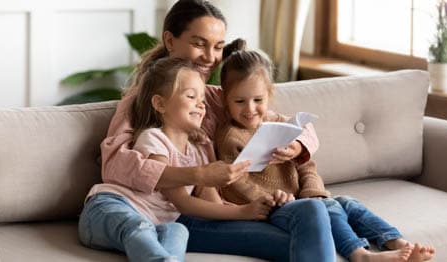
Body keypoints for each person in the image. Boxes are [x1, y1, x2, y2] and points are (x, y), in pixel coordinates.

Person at [83, 0, 336, 261]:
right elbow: (115, 164)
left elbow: (290, 121)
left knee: (315, 218)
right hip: (173, 211)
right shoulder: (144, 99)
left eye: (218, 47)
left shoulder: (217, 98)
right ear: (170, 41)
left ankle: (357, 249)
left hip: (210, 207)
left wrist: (297, 145)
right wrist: (200, 175)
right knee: (302, 232)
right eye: (198, 43)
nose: (210, 57)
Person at [214, 46, 436, 262]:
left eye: (258, 100)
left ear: (269, 94)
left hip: (304, 201)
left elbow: (306, 165)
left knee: (347, 203)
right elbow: (235, 183)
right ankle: (361, 255)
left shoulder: (282, 124)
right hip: (272, 209)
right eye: (240, 101)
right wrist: (271, 200)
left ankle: (398, 243)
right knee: (328, 207)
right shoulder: (230, 137)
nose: (250, 109)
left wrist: (313, 192)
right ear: (226, 99)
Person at [79, 56, 276, 262]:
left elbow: (214, 205)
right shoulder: (154, 139)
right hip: (108, 209)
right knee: (139, 227)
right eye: (191, 96)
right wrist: (243, 212)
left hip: (155, 224)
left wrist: (258, 206)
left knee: (177, 231)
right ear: (160, 104)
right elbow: (183, 203)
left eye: (202, 99)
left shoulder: (199, 151)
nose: (201, 105)